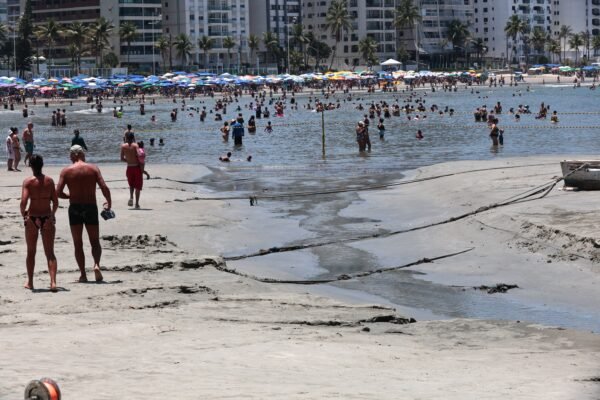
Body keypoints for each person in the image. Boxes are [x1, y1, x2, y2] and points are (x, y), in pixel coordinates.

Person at [56, 145, 112, 283]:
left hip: (75, 208)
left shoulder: (66, 171)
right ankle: (97, 265)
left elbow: (58, 192)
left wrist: (70, 196)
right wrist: (108, 202)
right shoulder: (93, 168)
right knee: (95, 242)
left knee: (78, 243)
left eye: (70, 156)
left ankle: (83, 274)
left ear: (74, 155)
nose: (69, 158)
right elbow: (104, 187)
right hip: (90, 207)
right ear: (81, 154)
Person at [20, 154, 58, 291]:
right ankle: (53, 282)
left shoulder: (28, 182)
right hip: (47, 217)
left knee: (31, 252)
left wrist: (24, 216)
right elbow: (55, 202)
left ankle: (30, 282)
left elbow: (23, 203)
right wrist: (52, 216)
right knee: (50, 252)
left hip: (33, 218)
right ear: (42, 165)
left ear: (30, 166)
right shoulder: (50, 181)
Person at [121, 132, 143, 208]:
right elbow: (139, 155)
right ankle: (136, 204)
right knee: (138, 186)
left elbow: (121, 158)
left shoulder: (123, 146)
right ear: (133, 138)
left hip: (129, 167)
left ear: (126, 138)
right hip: (136, 167)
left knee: (131, 185)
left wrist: (129, 160)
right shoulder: (135, 145)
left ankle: (131, 197)